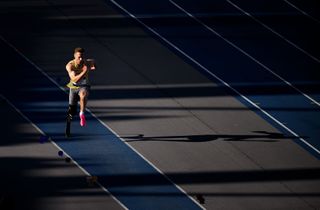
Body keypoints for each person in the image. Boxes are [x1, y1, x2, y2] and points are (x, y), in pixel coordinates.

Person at [66, 47, 95, 127]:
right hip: (74, 87)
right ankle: (68, 123)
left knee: (83, 95)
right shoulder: (70, 66)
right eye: (79, 57)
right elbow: (74, 79)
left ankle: (82, 113)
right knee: (72, 110)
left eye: (82, 56)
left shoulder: (85, 62)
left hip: (84, 85)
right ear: (75, 56)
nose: (81, 59)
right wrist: (84, 71)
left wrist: (93, 66)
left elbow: (92, 61)